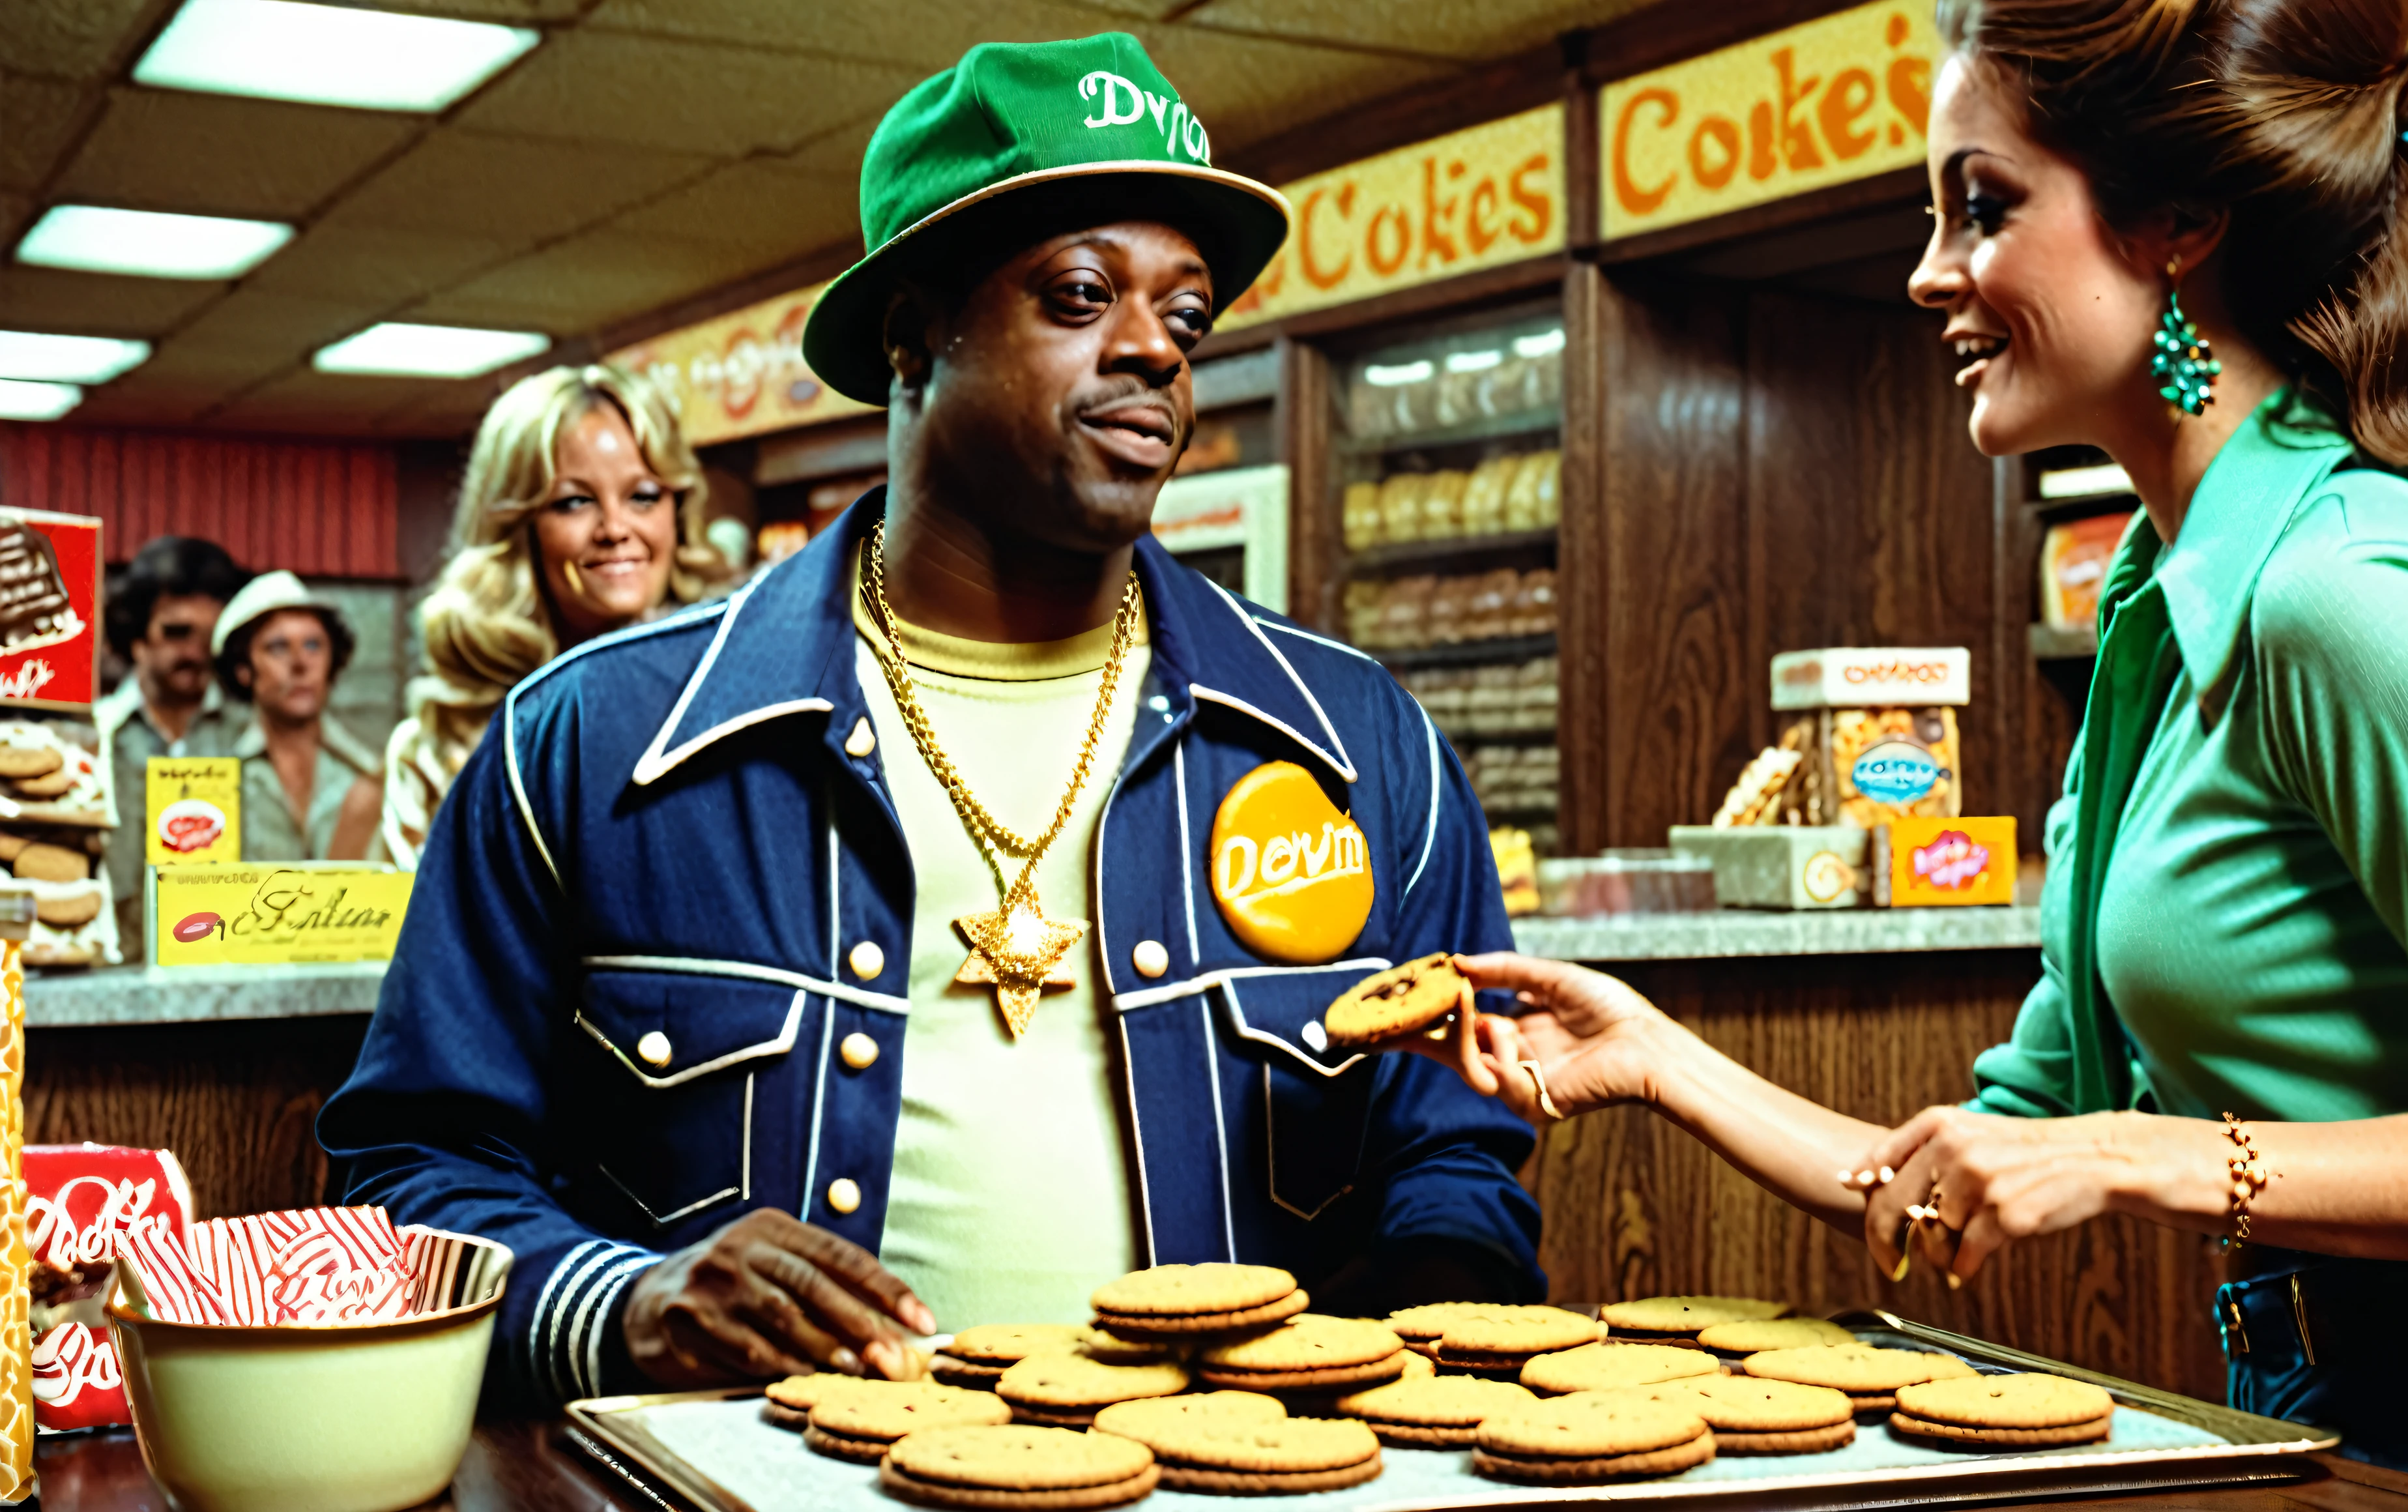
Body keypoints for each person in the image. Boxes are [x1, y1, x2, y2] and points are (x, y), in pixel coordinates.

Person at [1421, 1, 2408, 1503]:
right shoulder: (2159, 599)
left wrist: (2147, 1157)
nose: (1927, 269)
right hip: (2305, 1404)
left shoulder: (2342, 590)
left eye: (1979, 207)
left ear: (2180, 222)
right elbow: (1972, 1163)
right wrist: (1655, 1059)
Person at [320, 33, 1541, 1413]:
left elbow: (1458, 1142)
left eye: (1185, 316)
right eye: (1080, 294)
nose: (1151, 348)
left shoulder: (1355, 741)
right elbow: (415, 1171)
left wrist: (1409, 1390)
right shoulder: (593, 744)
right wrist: (632, 1301)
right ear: (914, 333)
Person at [381, 364, 723, 867]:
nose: (615, 528)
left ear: (679, 512)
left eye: (643, 497)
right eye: (574, 502)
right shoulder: (438, 746)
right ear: (517, 528)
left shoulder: (734, 699)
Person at [96, 536, 250, 961]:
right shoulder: (94, 738)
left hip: (228, 974)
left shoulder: (252, 737)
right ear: (135, 637)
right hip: (114, 976)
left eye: (210, 635)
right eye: (177, 633)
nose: (195, 653)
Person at [212, 572, 382, 862]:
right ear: (244, 669)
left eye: (314, 645)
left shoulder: (368, 772)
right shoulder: (213, 773)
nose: (301, 664)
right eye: (278, 647)